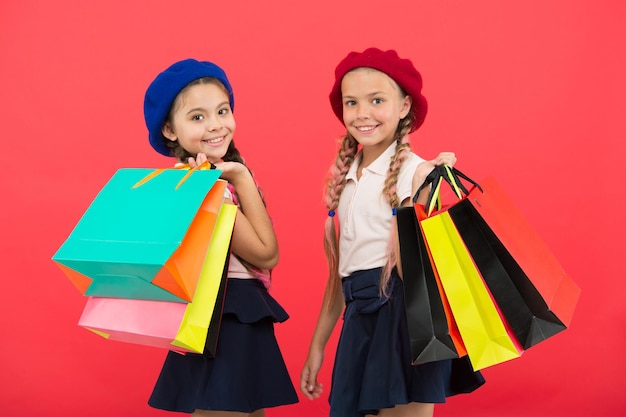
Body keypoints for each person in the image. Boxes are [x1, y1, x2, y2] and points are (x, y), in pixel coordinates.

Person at [300, 48, 485, 417]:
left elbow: (415, 266)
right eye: (351, 102)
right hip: (360, 317)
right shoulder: (347, 179)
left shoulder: (411, 171)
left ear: (404, 107)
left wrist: (423, 190)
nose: (362, 113)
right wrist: (318, 345)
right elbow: (340, 277)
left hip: (403, 316)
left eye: (377, 100)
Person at [143, 58, 298, 417]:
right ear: (169, 130)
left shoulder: (203, 180)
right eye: (197, 117)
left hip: (226, 315)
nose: (216, 125)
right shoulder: (203, 187)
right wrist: (241, 177)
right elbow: (266, 253)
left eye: (222, 110)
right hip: (226, 317)